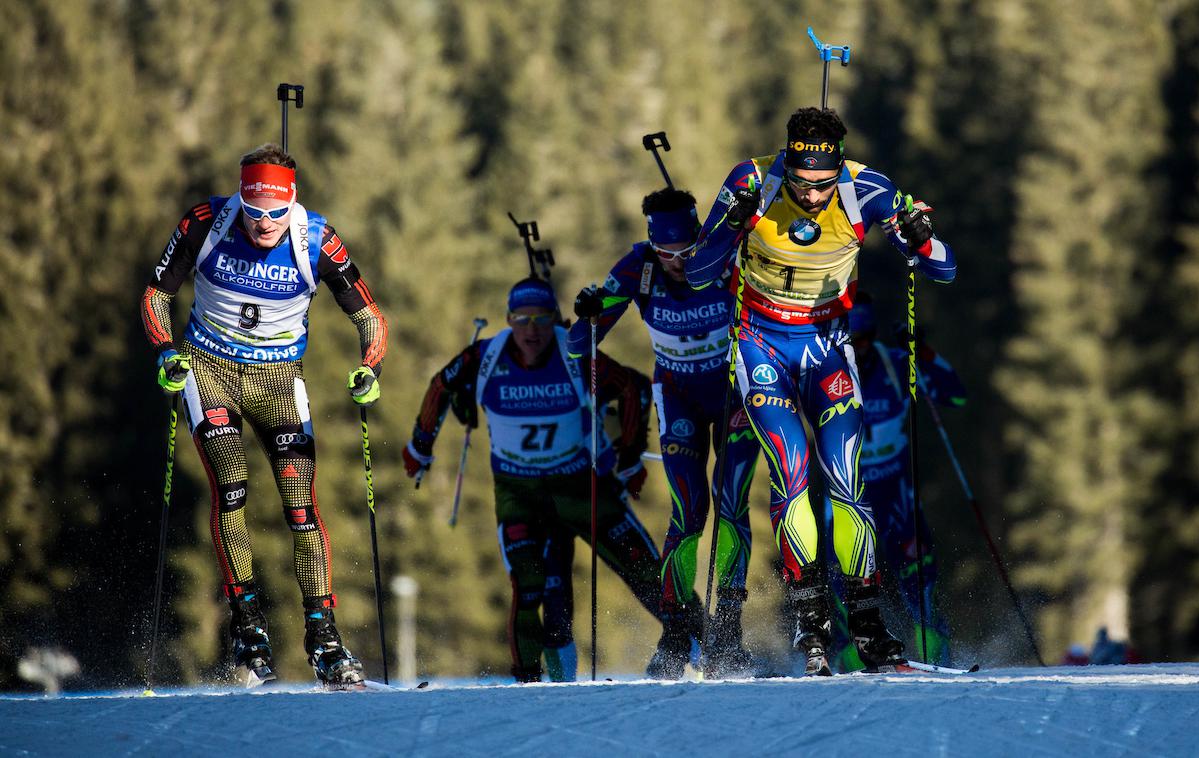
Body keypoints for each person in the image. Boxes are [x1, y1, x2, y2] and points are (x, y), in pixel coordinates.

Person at [685, 107, 957, 675]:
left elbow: (943, 270)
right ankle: (812, 623)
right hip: (761, 345)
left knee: (845, 482)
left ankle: (869, 628)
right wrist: (733, 224)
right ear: (787, 161)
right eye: (803, 183)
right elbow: (698, 272)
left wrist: (920, 238)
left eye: (823, 185)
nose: (812, 196)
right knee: (792, 472)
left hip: (828, 347)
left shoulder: (865, 189)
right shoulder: (752, 182)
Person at [140, 144, 388, 688]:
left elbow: (368, 313)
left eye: (276, 213)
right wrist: (165, 352)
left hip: (280, 381)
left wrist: (369, 367)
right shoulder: (206, 221)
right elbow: (157, 294)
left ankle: (323, 636)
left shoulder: (316, 238)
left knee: (301, 509)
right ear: (241, 200)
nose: (265, 225)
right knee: (230, 488)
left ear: (292, 202)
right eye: (255, 213)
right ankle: (249, 631)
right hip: (210, 370)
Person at [402, 277, 663, 682]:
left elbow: (632, 387)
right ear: (508, 320)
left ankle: (700, 643)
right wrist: (421, 446)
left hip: (580, 486)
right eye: (522, 320)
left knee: (642, 568)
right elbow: (442, 384)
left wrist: (629, 459)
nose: (531, 330)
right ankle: (528, 681)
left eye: (541, 319)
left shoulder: (574, 352)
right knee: (531, 587)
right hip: (519, 493)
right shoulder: (487, 356)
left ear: (554, 320)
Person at [570, 188, 760, 679]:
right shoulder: (640, 266)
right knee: (688, 511)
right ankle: (676, 632)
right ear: (653, 246)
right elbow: (578, 343)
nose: (678, 263)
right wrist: (589, 311)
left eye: (688, 251)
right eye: (668, 253)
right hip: (677, 394)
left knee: (732, 503)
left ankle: (729, 630)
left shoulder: (724, 255)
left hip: (735, 391)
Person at [843, 291, 965, 667]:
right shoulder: (828, 367)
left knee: (919, 578)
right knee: (844, 579)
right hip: (851, 492)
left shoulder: (896, 364)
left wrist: (921, 351)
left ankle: (934, 651)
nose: (858, 350)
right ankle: (846, 657)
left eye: (863, 340)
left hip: (896, 492)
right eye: (851, 341)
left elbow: (955, 396)